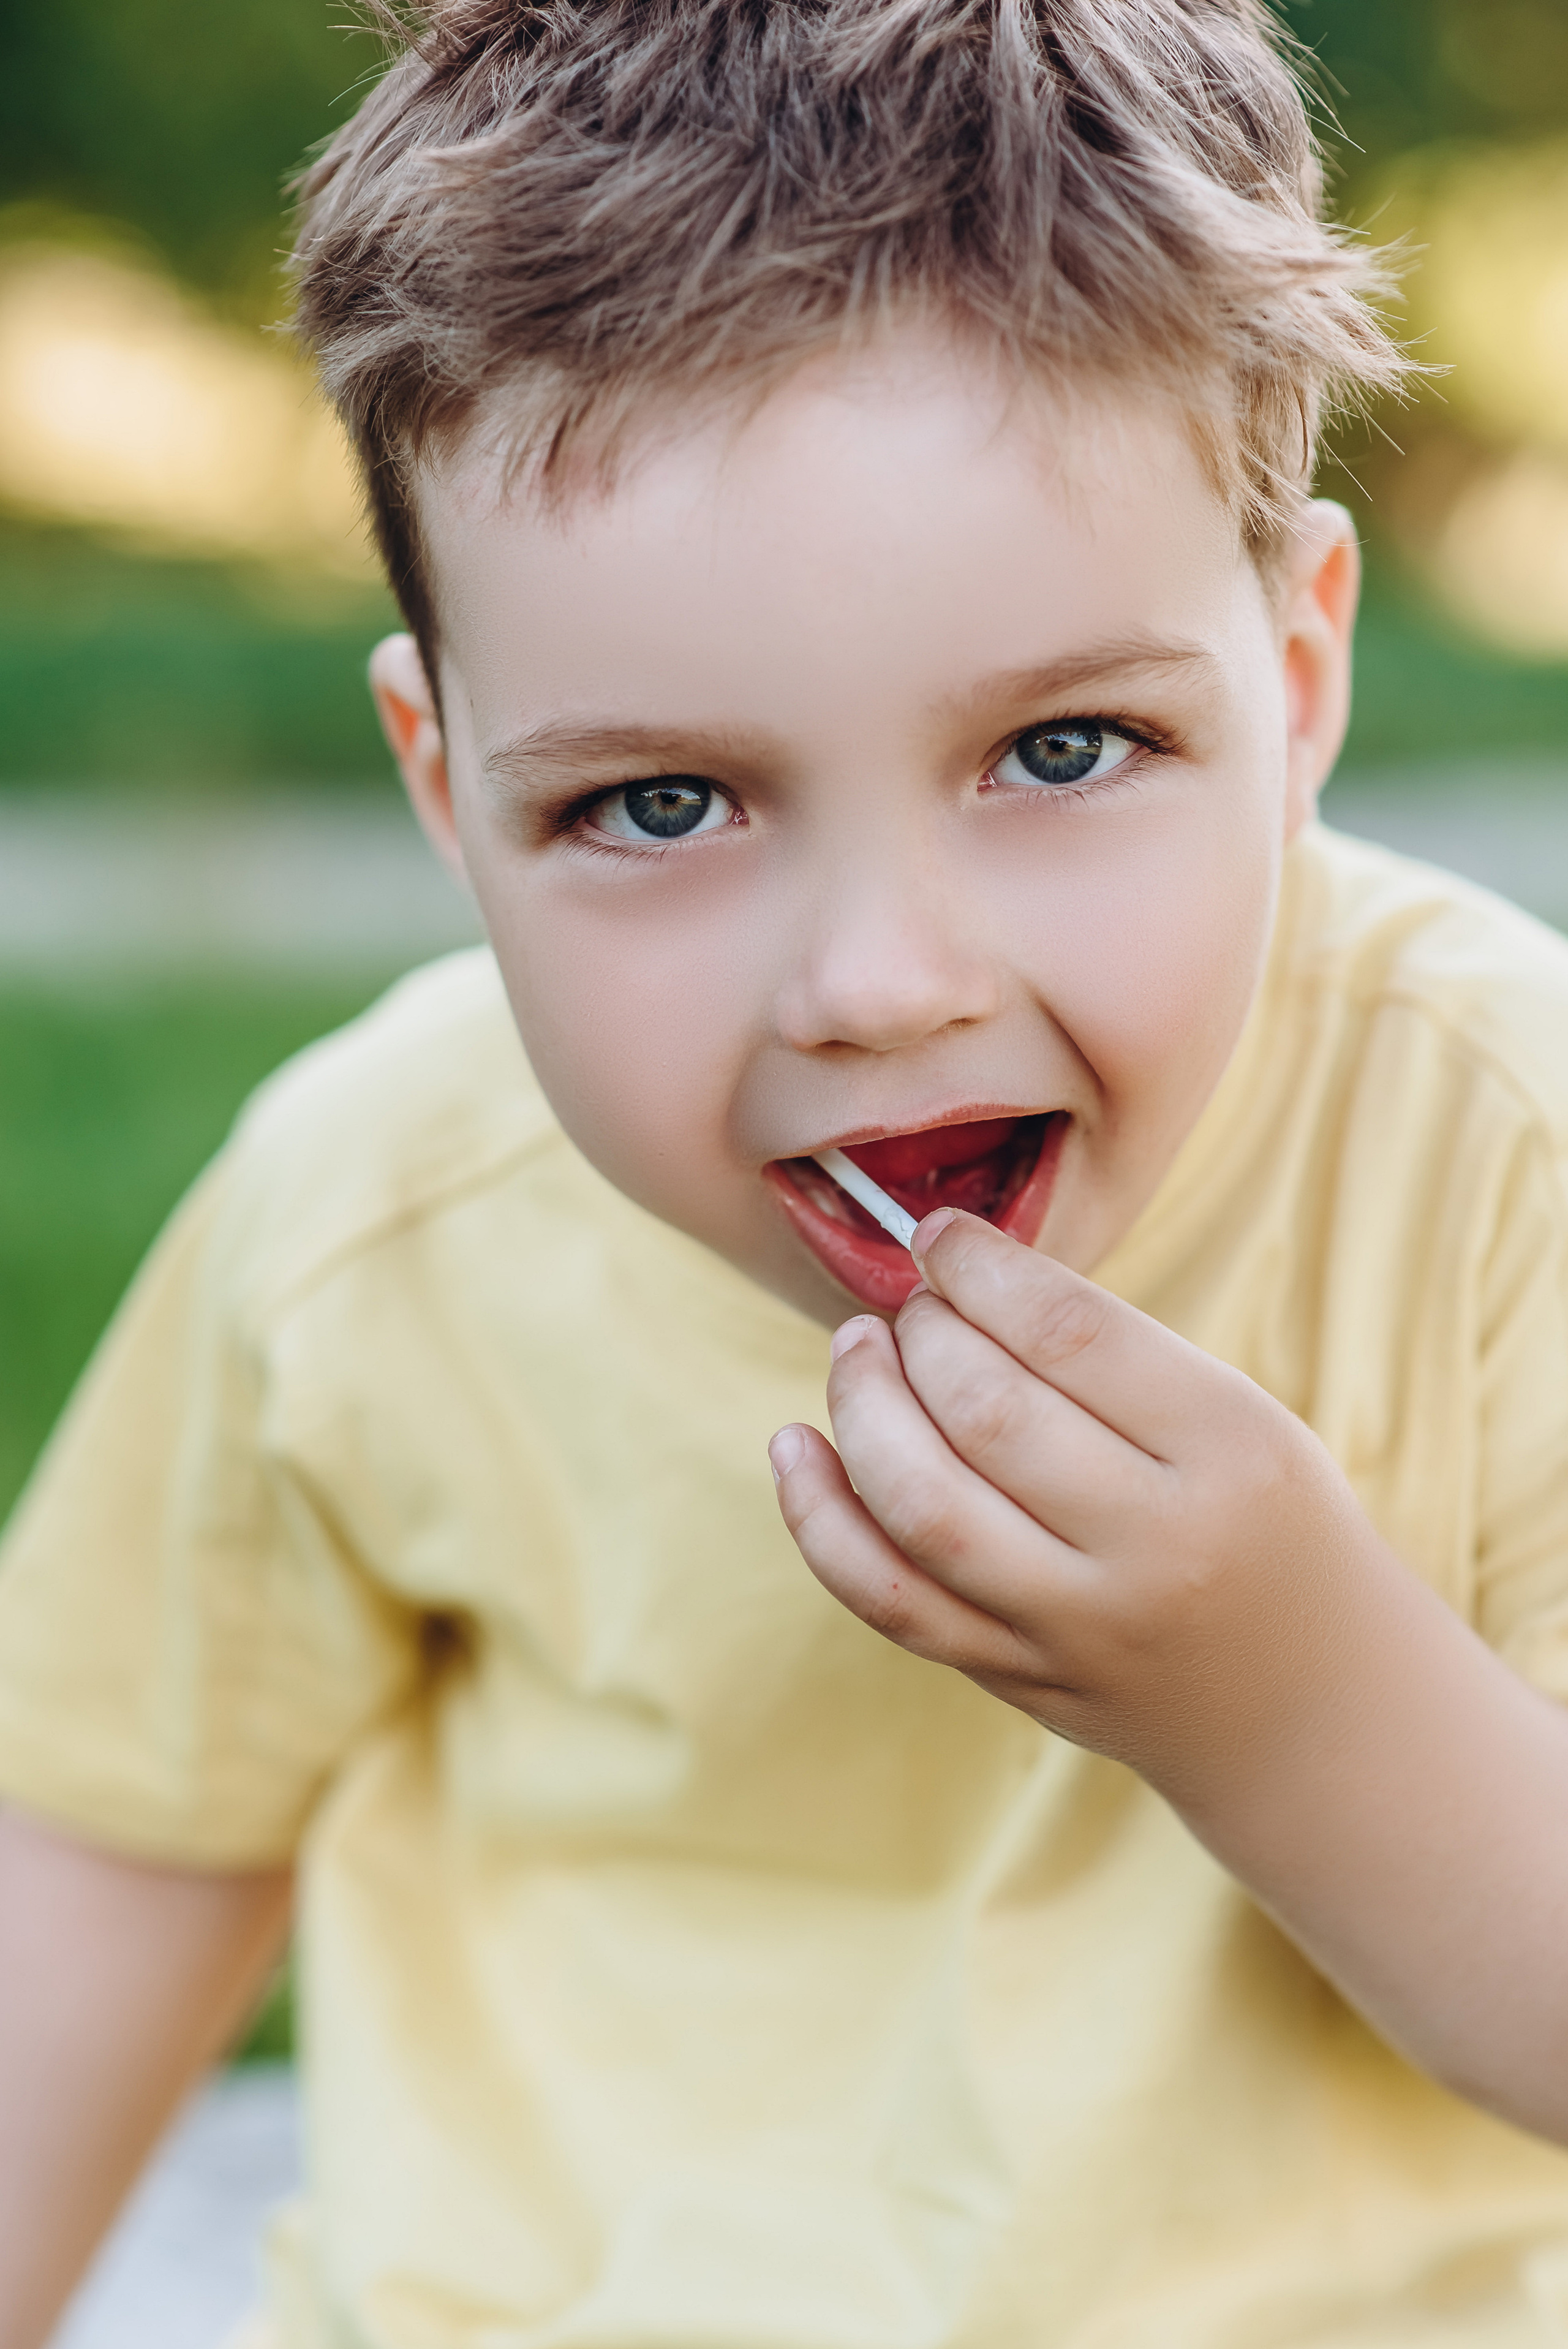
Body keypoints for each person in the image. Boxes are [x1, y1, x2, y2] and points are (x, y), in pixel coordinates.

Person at [4, 2, 1568, 2342]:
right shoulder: (376, 1210)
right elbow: (91, 1863)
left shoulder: (1494, 1147)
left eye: (1064, 745)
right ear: (448, 794)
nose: (874, 982)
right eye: (657, 805)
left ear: (1302, 670)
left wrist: (1289, 1697)